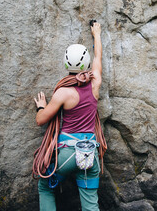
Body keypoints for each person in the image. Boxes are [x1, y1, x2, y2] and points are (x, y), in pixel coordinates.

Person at [33, 22, 104, 211]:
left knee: (45, 187)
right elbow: (98, 58)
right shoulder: (95, 84)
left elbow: (41, 119)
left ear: (65, 63)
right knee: (90, 204)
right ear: (86, 63)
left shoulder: (63, 93)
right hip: (90, 154)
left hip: (67, 154)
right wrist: (96, 34)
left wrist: (41, 106)